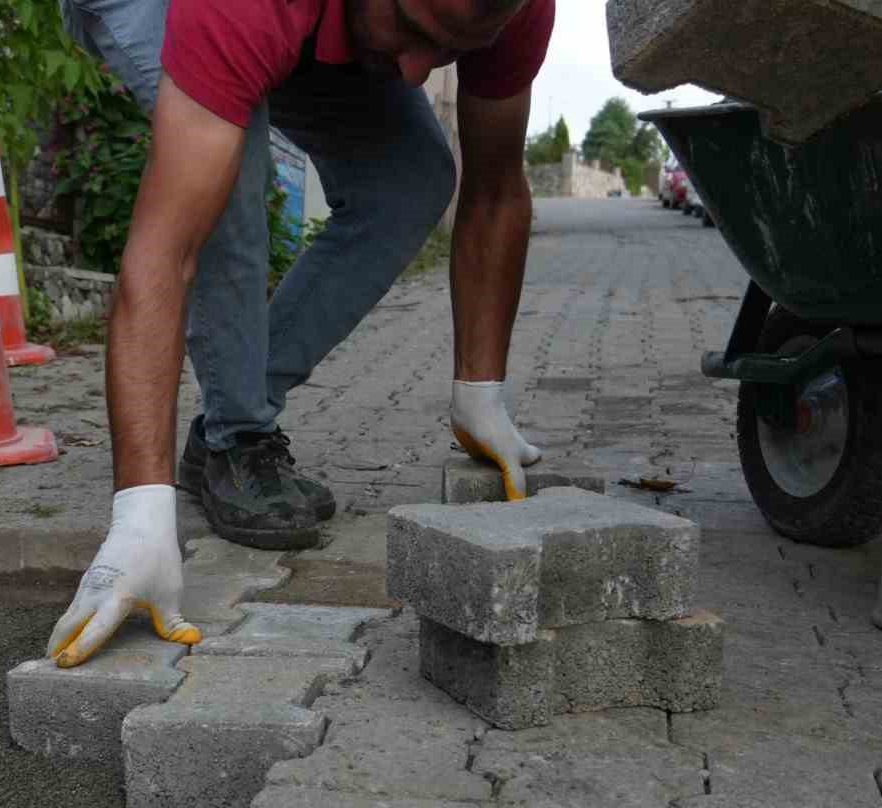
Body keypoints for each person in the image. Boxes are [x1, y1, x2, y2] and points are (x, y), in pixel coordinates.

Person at [48, 0, 556, 667]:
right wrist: (140, 517)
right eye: (413, 35)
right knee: (224, 169)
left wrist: (480, 392)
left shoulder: (512, 9)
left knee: (412, 175)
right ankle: (236, 439)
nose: (414, 74)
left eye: (449, 55)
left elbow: (494, 189)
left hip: (319, 20)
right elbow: (163, 252)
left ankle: (232, 414)